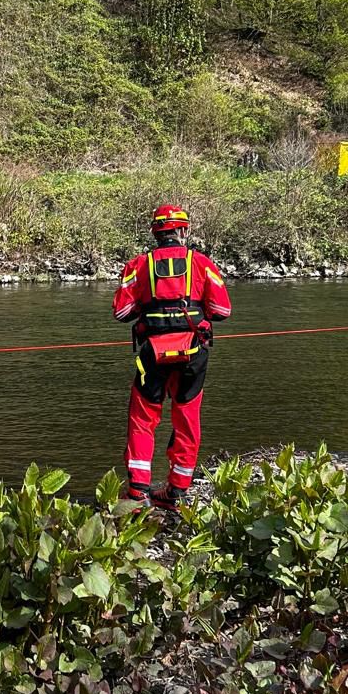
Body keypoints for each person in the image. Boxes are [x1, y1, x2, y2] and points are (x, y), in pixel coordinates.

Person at [112, 204, 232, 509]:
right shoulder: (202, 264)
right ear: (184, 231)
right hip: (194, 352)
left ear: (155, 232)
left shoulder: (138, 265)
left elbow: (121, 312)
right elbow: (222, 311)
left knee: (142, 419)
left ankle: (138, 491)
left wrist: (148, 307)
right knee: (187, 418)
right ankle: (176, 490)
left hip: (154, 352)